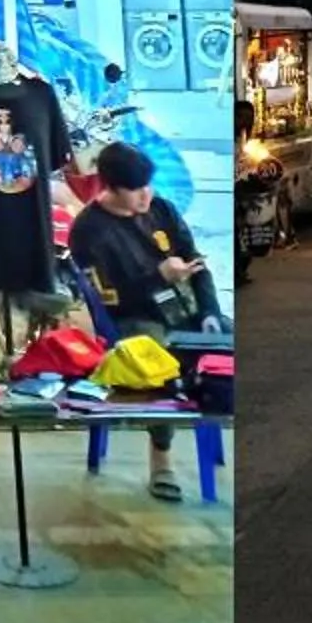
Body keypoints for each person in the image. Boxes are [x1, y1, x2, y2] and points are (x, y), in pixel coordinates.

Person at [68, 142, 219, 504]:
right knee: (159, 360)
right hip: (132, 319)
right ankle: (161, 461)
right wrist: (158, 277)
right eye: (136, 189)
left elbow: (197, 263)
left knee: (225, 345)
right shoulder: (89, 231)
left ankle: (218, 420)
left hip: (186, 308)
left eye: (148, 185)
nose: (145, 194)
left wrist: (210, 311)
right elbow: (107, 300)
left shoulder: (161, 209)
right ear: (110, 188)